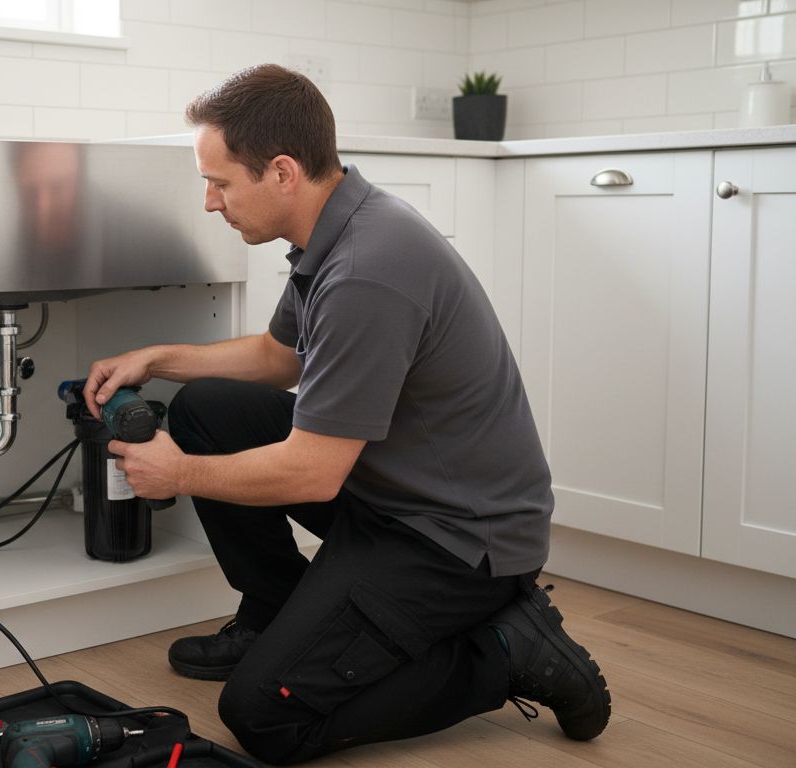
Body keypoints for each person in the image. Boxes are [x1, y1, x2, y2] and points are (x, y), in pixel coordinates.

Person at [82, 63, 611, 764]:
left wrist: (178, 474)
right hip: (392, 493)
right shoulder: (336, 227)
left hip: (458, 541)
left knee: (263, 716)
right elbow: (281, 356)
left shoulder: (368, 267)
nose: (210, 201)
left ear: (281, 172)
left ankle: (507, 649)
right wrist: (160, 357)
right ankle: (275, 615)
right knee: (209, 406)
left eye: (220, 183)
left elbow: (312, 473)